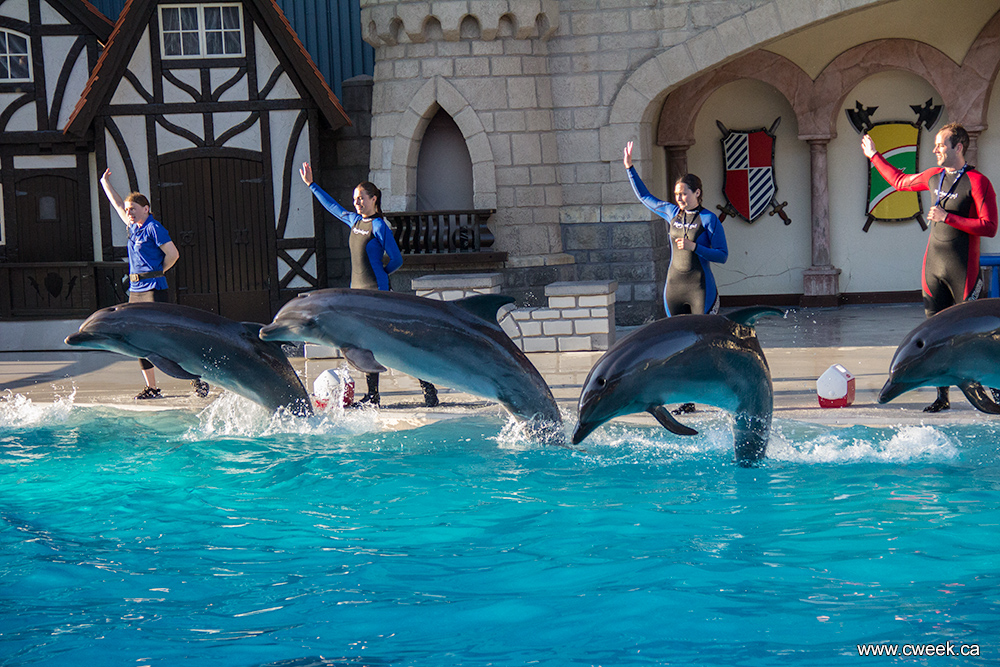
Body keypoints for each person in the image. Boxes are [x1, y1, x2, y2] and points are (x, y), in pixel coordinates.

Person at [862, 123, 999, 412]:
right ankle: (942, 397)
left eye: (940, 144)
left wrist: (947, 218)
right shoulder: (934, 176)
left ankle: (996, 388)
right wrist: (874, 156)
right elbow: (900, 181)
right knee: (935, 333)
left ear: (958, 147)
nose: (935, 149)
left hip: (963, 269)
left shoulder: (977, 181)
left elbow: (989, 227)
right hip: (933, 266)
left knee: (976, 335)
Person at [300, 162, 439, 408]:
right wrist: (312, 185)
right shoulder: (354, 221)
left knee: (399, 345)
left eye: (361, 198)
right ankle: (373, 396)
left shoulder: (379, 226)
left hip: (378, 296)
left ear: (374, 199)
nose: (356, 203)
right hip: (358, 296)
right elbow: (332, 207)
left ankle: (428, 388)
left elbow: (396, 259)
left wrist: (382, 278)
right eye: (355, 199)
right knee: (365, 344)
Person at [624, 142, 729, 413]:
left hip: (700, 288)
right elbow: (646, 198)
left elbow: (722, 255)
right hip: (674, 287)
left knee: (701, 344)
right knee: (678, 344)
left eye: (684, 193)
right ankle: (686, 399)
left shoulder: (709, 220)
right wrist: (630, 169)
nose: (680, 198)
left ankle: (714, 388)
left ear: (697, 193)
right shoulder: (671, 213)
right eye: (676, 194)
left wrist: (696, 248)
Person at [100, 169, 209, 400]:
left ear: (146, 209)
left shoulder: (153, 227)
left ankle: (195, 377)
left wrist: (159, 272)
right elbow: (118, 204)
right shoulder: (133, 227)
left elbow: (173, 254)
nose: (129, 212)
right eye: (129, 210)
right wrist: (104, 182)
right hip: (135, 292)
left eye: (134, 209)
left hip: (153, 290)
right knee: (137, 340)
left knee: (167, 338)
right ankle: (152, 388)